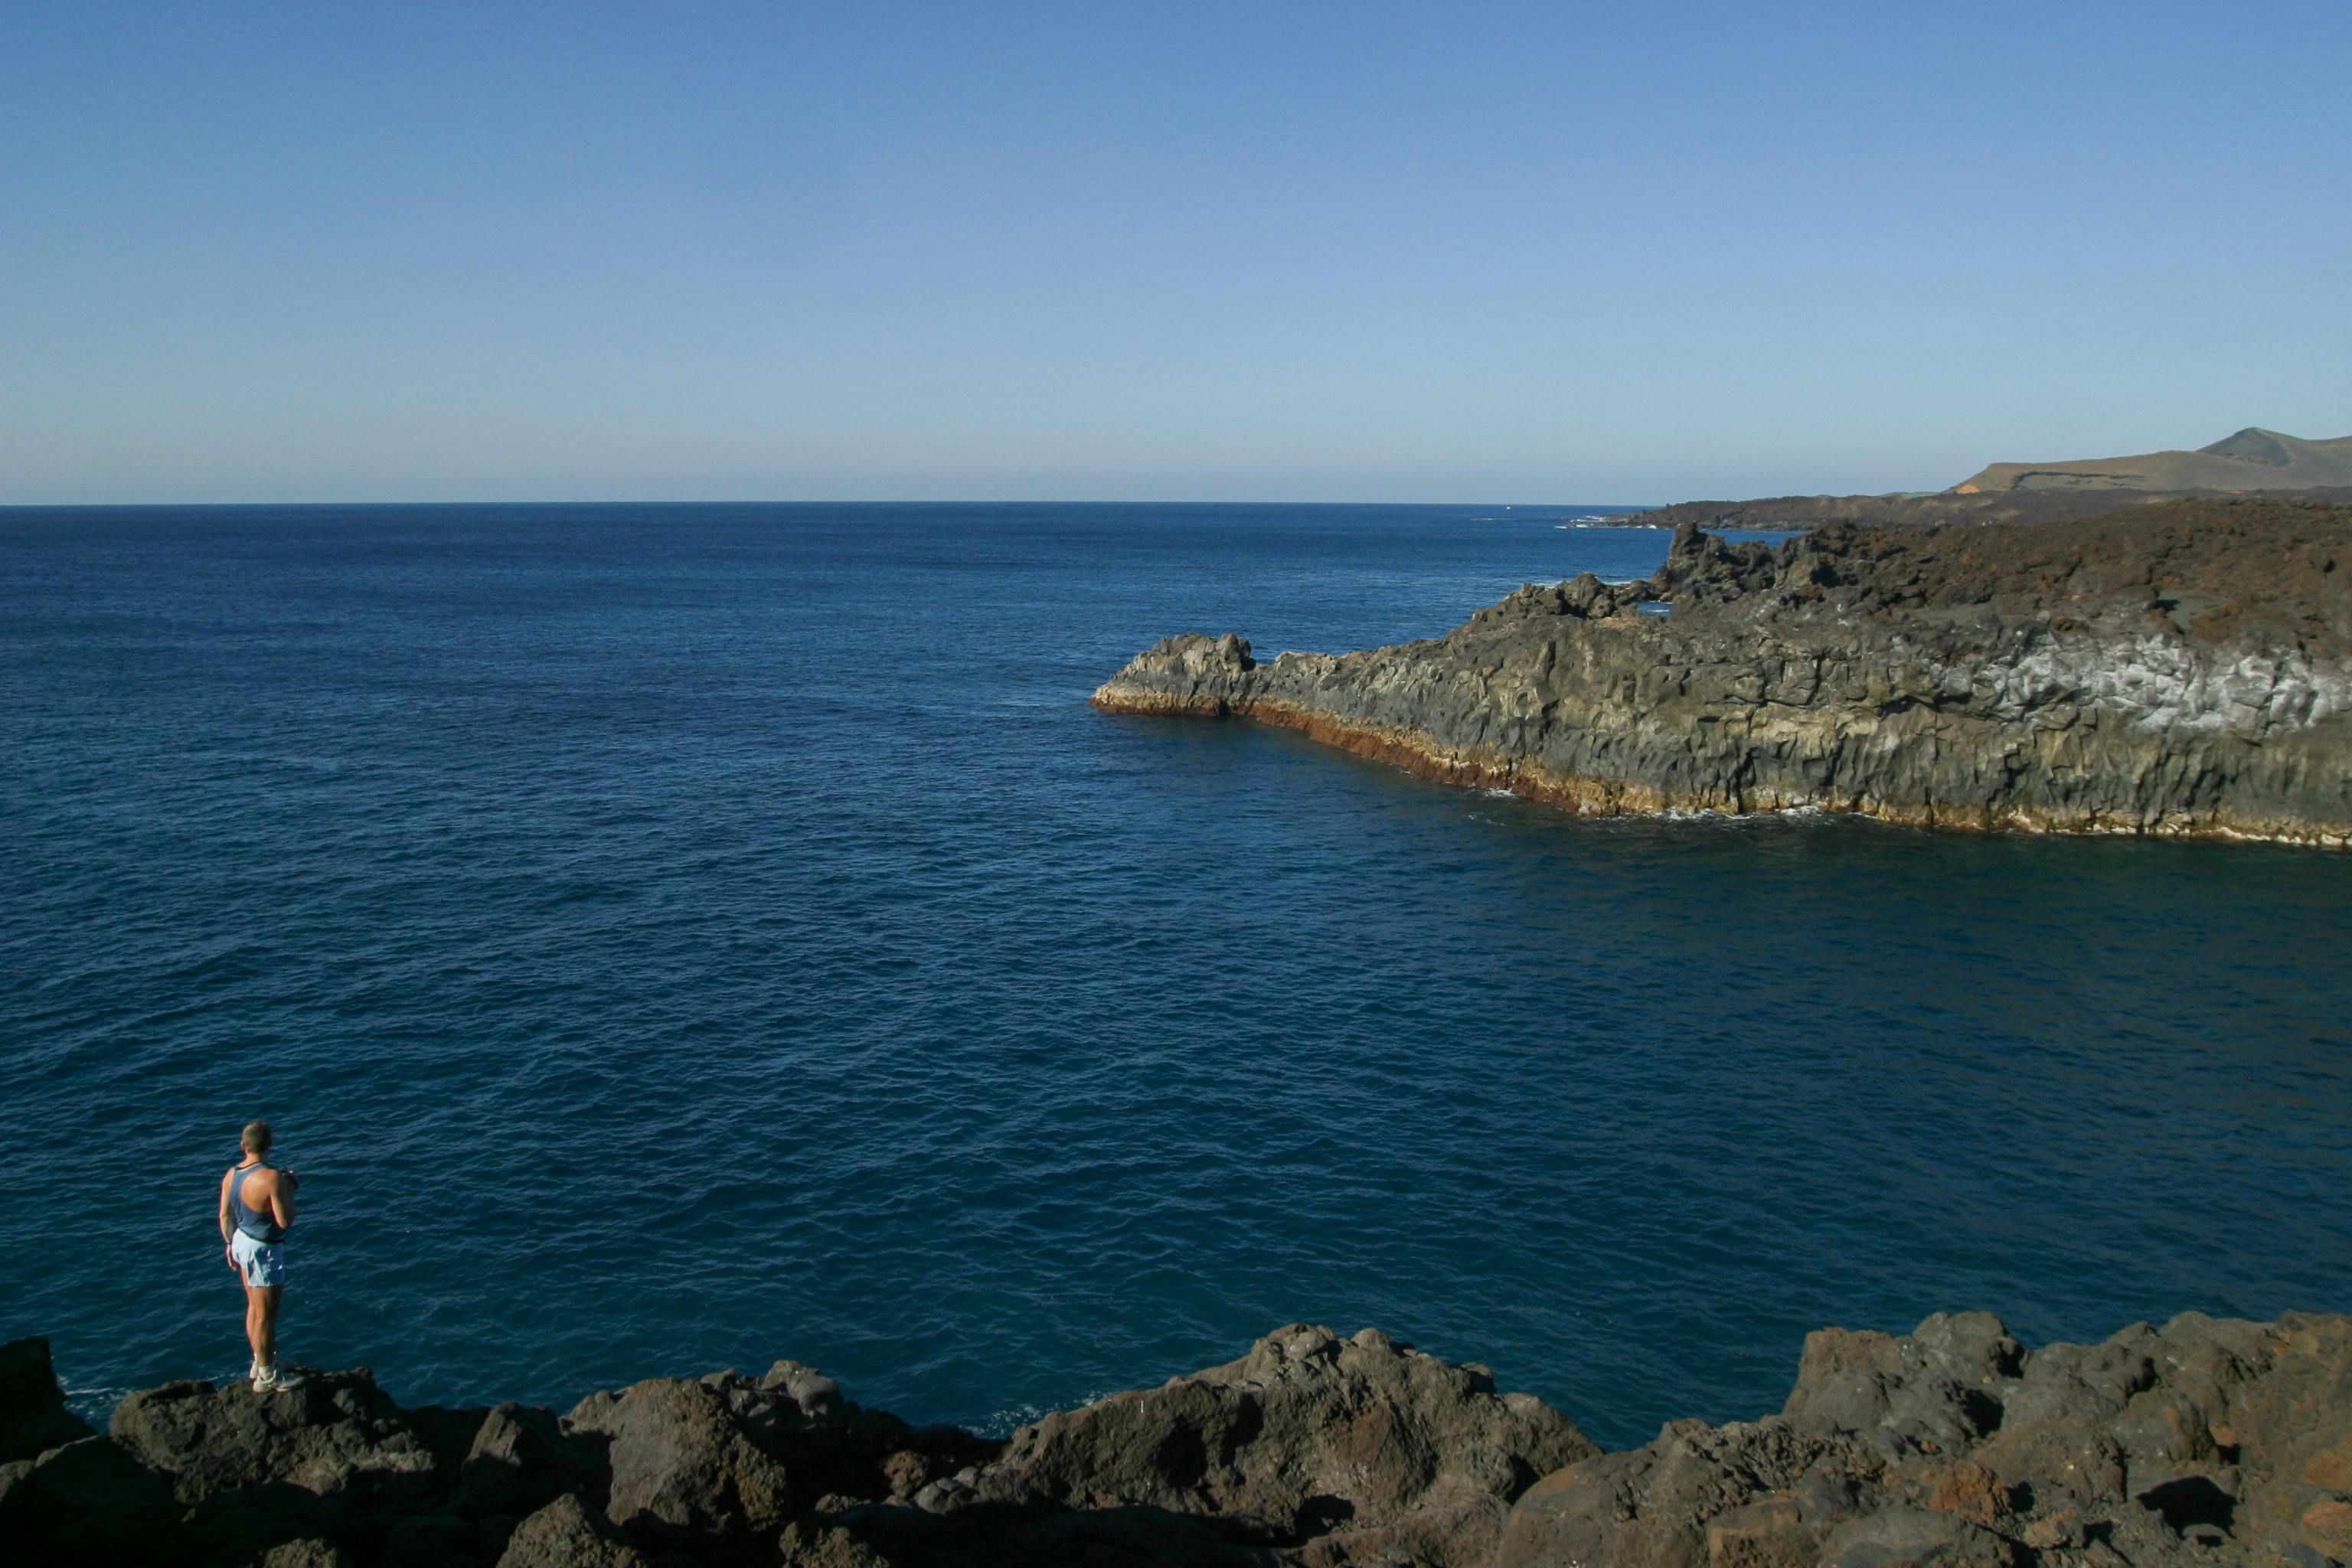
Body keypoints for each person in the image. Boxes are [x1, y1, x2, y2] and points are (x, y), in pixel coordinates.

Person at [217, 1120, 302, 1391]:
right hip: (263, 1249)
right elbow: (285, 1220)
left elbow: (224, 1215)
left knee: (253, 1308)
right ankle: (267, 1376)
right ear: (270, 1145)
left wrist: (230, 1244)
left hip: (241, 1241)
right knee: (266, 1314)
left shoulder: (232, 1174)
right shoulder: (272, 1178)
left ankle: (260, 1360)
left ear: (243, 1145)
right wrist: (289, 1189)